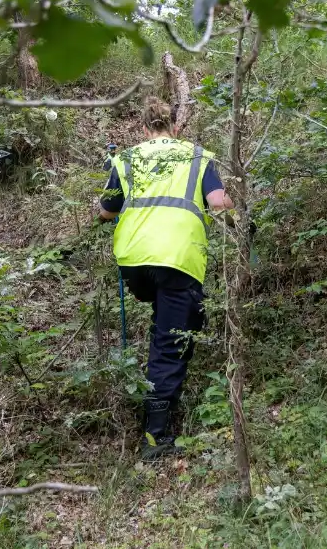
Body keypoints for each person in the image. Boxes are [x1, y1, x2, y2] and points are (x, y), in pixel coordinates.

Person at [99, 97, 233, 460]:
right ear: (175, 127)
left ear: (144, 129)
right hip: (177, 258)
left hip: (134, 261)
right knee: (172, 341)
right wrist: (237, 221)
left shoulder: (125, 158)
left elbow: (105, 211)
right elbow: (219, 203)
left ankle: (158, 359)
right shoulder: (197, 157)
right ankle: (155, 437)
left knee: (169, 315)